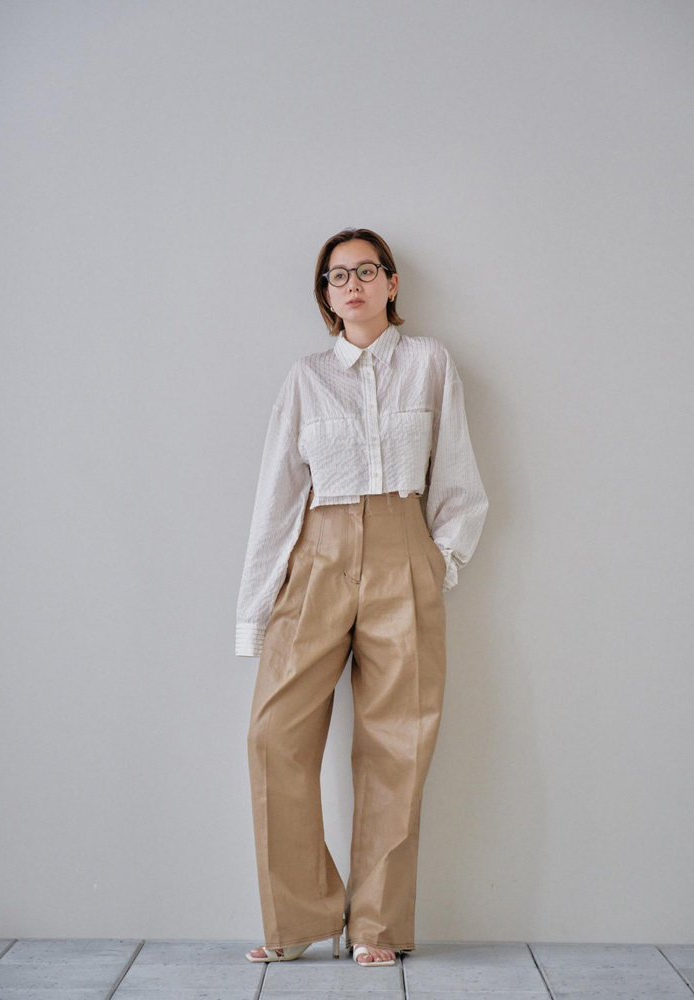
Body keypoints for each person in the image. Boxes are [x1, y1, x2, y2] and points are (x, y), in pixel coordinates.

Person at [236, 227, 489, 967]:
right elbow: (277, 497)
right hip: (317, 554)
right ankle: (297, 918)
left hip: (403, 548)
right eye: (336, 276)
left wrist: (437, 560)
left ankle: (377, 926)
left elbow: (458, 474)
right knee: (272, 736)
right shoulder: (306, 377)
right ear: (325, 294)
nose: (351, 285)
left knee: (397, 744)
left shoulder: (430, 363)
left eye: (365, 271)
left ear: (392, 283)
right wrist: (255, 611)